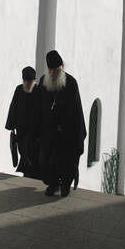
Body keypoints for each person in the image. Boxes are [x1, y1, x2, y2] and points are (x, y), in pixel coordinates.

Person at [37, 50, 86, 197]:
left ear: (62, 67)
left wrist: (62, 125)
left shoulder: (71, 83)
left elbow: (74, 109)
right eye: (51, 70)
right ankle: (53, 184)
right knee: (49, 160)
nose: (53, 73)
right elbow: (41, 106)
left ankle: (65, 185)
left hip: (66, 132)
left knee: (65, 161)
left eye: (56, 70)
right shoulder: (43, 81)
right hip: (49, 132)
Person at [5, 66, 42, 179]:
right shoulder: (19, 90)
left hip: (34, 133)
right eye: (26, 81)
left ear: (33, 80)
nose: (27, 83)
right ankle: (27, 173)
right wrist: (11, 126)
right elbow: (13, 107)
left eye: (30, 81)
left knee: (32, 155)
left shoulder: (38, 91)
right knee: (24, 153)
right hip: (21, 131)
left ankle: (31, 174)